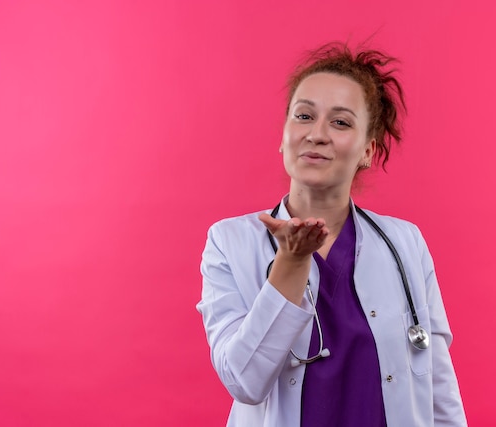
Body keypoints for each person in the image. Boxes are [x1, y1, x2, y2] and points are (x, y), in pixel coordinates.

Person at [197, 42, 467, 427]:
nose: (317, 134)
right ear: (283, 135)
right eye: (304, 116)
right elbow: (245, 381)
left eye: (340, 122)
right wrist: (289, 263)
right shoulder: (230, 243)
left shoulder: (405, 243)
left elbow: (438, 384)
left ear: (367, 151)